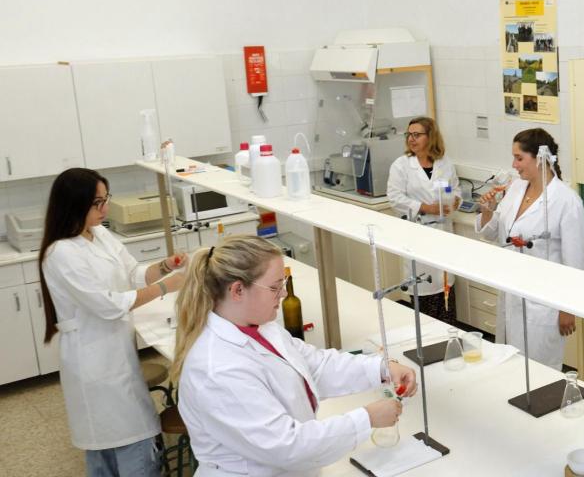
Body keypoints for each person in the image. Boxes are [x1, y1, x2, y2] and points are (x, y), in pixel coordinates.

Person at [172, 235, 418, 477]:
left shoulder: (261, 327)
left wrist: (381, 368)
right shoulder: (216, 369)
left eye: (284, 283)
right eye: (275, 286)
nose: (282, 294)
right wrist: (366, 419)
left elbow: (315, 365)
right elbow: (285, 445)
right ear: (237, 290)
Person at [39, 168, 188, 477]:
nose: (105, 208)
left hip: (115, 351)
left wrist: (164, 266)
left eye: (106, 199)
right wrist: (167, 286)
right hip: (94, 359)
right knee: (121, 440)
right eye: (98, 202)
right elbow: (108, 305)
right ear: (74, 204)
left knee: (122, 437)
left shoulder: (100, 233)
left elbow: (133, 273)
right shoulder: (61, 253)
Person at [475, 128, 584, 370]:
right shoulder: (516, 189)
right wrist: (487, 212)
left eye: (519, 158)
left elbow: (575, 262)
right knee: (510, 366)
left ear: (541, 158)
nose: (514, 164)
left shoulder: (567, 201)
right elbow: (496, 234)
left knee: (540, 372)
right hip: (512, 291)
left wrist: (568, 309)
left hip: (544, 300)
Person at [386, 116, 461, 323]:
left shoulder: (444, 163)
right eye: (409, 134)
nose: (412, 139)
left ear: (431, 137)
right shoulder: (401, 166)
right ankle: (427, 342)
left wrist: (456, 201)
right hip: (418, 234)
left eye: (417, 134)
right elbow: (394, 198)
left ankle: (448, 339)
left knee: (445, 289)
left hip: (443, 233)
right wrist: (425, 207)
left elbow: (455, 189)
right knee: (422, 290)